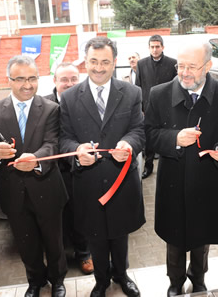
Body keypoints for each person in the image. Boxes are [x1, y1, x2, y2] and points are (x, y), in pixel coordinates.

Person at [145, 42, 218, 296]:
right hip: (172, 182)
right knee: (174, 239)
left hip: (209, 180)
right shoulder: (159, 94)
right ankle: (175, 281)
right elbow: (148, 135)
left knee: (202, 237)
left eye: (192, 66)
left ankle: (198, 278)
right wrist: (174, 138)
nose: (184, 72)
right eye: (180, 65)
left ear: (209, 66)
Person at [59, 37, 145, 297]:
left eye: (105, 62)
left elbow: (139, 130)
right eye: (93, 61)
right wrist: (76, 152)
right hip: (88, 181)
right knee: (95, 236)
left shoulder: (131, 92)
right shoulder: (70, 97)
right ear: (85, 62)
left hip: (121, 179)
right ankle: (101, 280)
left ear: (114, 63)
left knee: (120, 234)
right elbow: (63, 138)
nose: (98, 67)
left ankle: (121, 275)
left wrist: (128, 144)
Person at [0, 55, 68, 297]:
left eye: (32, 78)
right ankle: (35, 280)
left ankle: (58, 280)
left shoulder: (51, 108)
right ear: (8, 80)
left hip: (47, 187)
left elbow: (53, 144)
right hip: (13, 192)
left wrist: (36, 160)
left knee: (54, 242)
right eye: (20, 79)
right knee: (26, 242)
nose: (27, 85)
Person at [44, 62, 94, 276]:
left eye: (74, 79)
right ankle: (57, 258)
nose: (69, 83)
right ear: (54, 81)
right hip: (49, 173)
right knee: (53, 218)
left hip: (77, 171)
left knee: (80, 214)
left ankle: (84, 254)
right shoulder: (43, 104)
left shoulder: (87, 102)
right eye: (64, 79)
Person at [136, 35, 177, 179]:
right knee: (148, 138)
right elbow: (138, 86)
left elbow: (176, 86)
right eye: (152, 47)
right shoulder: (141, 64)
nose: (155, 49)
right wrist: (140, 107)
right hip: (148, 107)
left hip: (167, 107)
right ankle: (148, 167)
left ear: (163, 47)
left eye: (157, 46)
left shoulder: (173, 63)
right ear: (149, 48)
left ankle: (169, 167)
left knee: (167, 136)